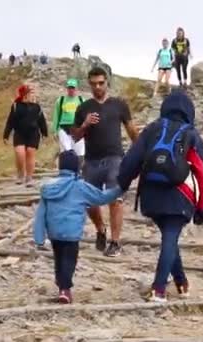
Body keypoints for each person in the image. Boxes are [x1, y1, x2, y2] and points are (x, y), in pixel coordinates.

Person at [117, 89, 203, 302]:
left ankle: (181, 283)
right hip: (180, 196)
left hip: (151, 194)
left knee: (170, 237)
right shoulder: (191, 134)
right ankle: (159, 289)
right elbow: (201, 173)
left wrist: (122, 184)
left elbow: (132, 159)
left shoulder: (153, 129)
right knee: (170, 236)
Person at [33, 150, 122, 304]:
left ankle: (62, 286)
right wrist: (120, 189)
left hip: (54, 232)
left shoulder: (49, 188)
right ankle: (65, 290)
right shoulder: (80, 187)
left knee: (59, 259)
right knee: (69, 260)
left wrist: (39, 238)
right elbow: (101, 197)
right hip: (72, 232)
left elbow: (40, 214)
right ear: (77, 168)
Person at [71, 66, 139, 257]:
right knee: (89, 202)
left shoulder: (119, 105)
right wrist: (84, 124)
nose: (97, 87)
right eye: (93, 84)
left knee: (115, 200)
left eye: (101, 83)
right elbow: (74, 137)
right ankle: (101, 229)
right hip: (91, 160)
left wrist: (141, 151)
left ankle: (115, 242)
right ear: (89, 84)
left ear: (107, 82)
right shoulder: (83, 108)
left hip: (115, 158)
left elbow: (131, 130)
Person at [3, 85, 48, 186]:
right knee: (20, 153)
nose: (32, 95)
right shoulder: (16, 106)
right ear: (24, 95)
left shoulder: (37, 106)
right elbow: (10, 121)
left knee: (30, 152)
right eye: (29, 93)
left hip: (33, 133)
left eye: (32, 93)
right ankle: (20, 174)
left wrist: (44, 133)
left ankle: (29, 177)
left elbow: (41, 121)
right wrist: (6, 135)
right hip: (19, 133)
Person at [52, 78, 85, 164]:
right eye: (69, 88)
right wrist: (55, 130)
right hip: (64, 128)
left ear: (76, 88)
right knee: (66, 152)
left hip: (78, 129)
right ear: (67, 88)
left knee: (79, 152)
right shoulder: (61, 100)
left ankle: (79, 171)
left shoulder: (81, 100)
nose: (71, 90)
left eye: (73, 88)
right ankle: (65, 172)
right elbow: (56, 115)